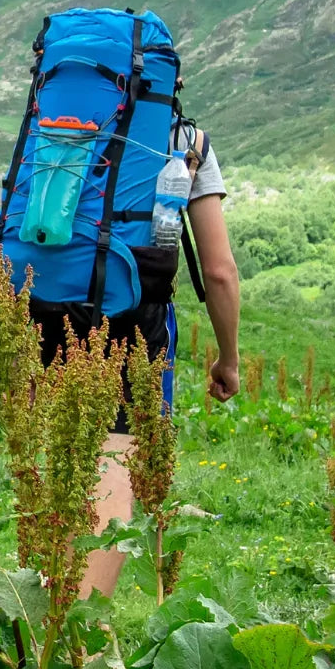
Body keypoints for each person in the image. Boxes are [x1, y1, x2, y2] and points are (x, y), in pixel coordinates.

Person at [48, 121, 241, 599]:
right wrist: (229, 359)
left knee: (63, 464)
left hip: (47, 302)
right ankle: (79, 646)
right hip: (132, 311)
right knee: (112, 463)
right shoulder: (186, 143)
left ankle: (43, 620)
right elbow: (218, 271)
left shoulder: (57, 117)